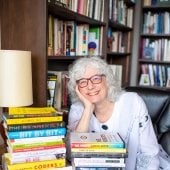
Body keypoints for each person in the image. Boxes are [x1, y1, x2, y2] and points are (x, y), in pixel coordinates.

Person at [67, 56, 164, 169]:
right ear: (77, 89)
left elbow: (149, 155)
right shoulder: (77, 109)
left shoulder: (133, 102)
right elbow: (71, 155)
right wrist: (88, 109)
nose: (90, 86)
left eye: (96, 79)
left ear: (107, 80)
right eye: (82, 82)